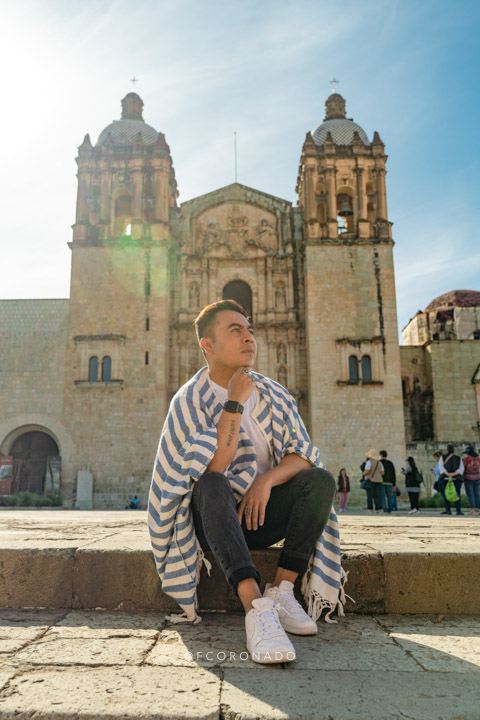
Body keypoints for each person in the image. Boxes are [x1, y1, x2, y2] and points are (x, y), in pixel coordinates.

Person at [147, 299, 343, 665]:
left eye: (250, 330)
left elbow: (303, 452)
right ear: (207, 345)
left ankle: (283, 590)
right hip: (215, 521)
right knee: (212, 484)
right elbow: (213, 465)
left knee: (320, 480)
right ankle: (256, 609)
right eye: (235, 331)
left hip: (263, 514)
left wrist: (265, 481)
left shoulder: (274, 393)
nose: (249, 338)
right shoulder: (189, 400)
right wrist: (234, 402)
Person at [438, 444, 464, 516]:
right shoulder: (458, 458)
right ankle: (458, 511)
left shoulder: (442, 457)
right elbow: (461, 469)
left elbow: (441, 468)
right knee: (457, 494)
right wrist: (453, 474)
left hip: (445, 478)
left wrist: (448, 474)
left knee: (446, 494)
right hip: (456, 478)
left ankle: (448, 510)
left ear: (447, 449)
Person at [462, 445, 480, 516]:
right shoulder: (478, 459)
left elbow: (462, 468)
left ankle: (473, 510)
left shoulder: (465, 459)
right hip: (477, 477)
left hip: (468, 478)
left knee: (470, 494)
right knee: (477, 494)